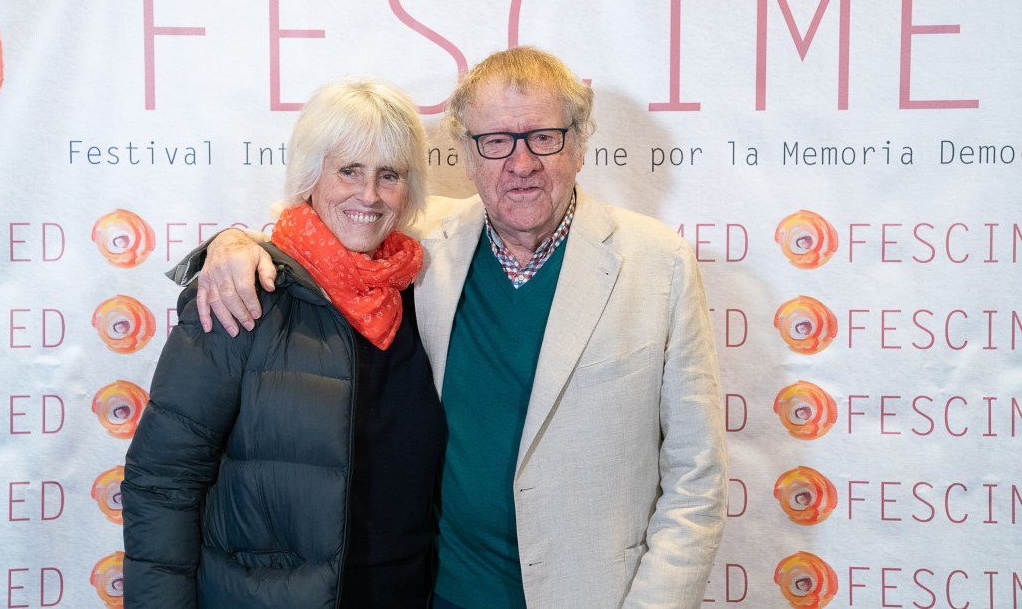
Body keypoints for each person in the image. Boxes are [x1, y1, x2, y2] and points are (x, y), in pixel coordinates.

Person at [183, 47, 728, 609]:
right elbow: (328, 230)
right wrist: (235, 244)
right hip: (443, 595)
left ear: (580, 144)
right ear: (466, 154)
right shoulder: (423, 241)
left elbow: (697, 477)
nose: (521, 163)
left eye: (544, 137)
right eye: (495, 141)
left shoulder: (659, 263)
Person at [121, 80, 446, 608]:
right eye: (348, 170)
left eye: (389, 175)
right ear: (310, 177)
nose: (369, 194)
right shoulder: (241, 293)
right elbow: (163, 481)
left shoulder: (421, 294)